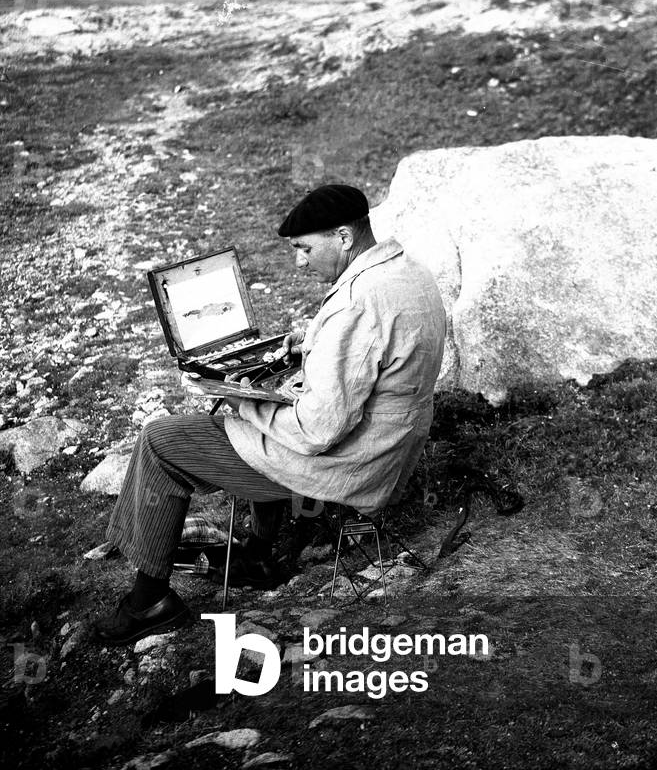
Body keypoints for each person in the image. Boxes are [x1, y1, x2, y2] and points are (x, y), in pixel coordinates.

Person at [95, 184, 446, 644]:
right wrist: (311, 347)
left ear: (343, 237)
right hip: (390, 447)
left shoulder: (358, 303)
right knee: (268, 399)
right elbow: (377, 351)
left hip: (348, 465)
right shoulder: (405, 271)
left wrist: (243, 399)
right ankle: (258, 554)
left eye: (304, 248)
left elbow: (317, 430)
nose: (299, 262)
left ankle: (150, 599)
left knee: (161, 441)